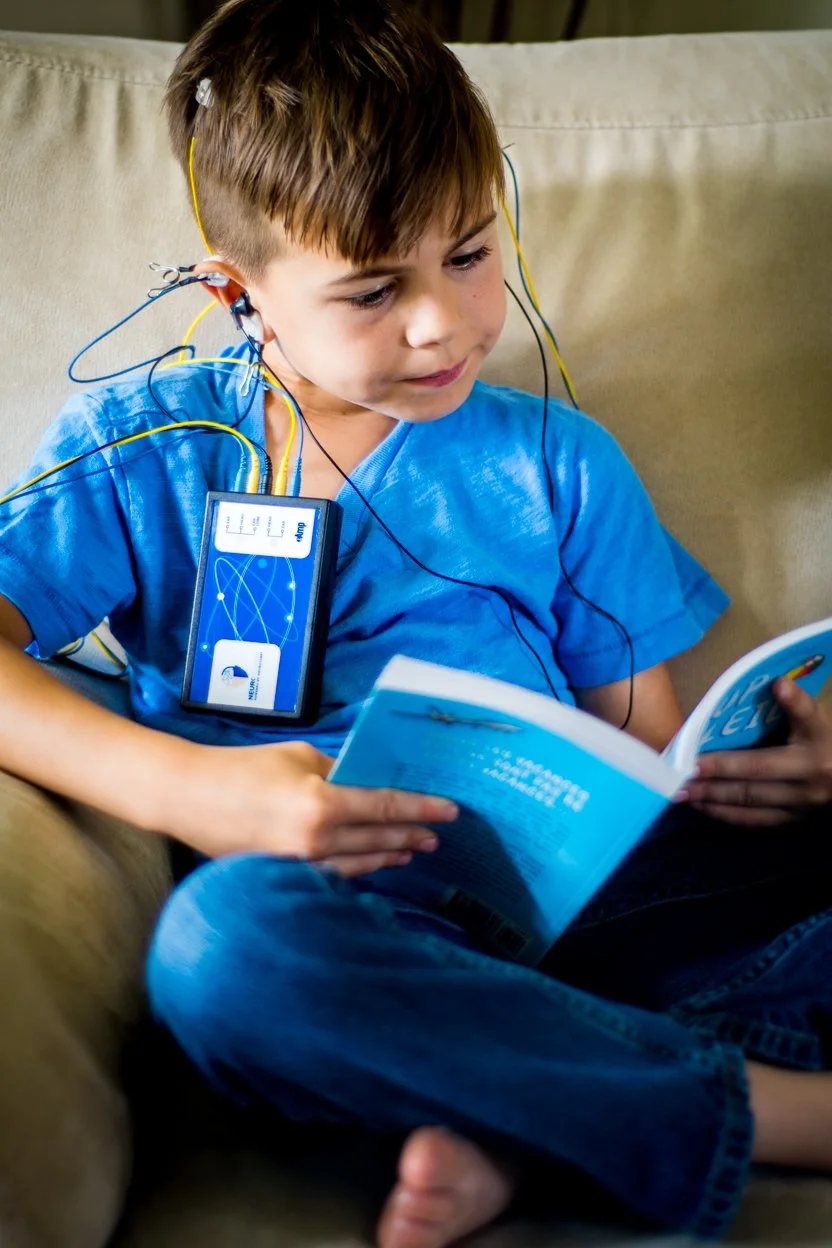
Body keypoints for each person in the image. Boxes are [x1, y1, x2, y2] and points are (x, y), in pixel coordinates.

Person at [0, 1, 830, 1245]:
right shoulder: (152, 455)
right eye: (374, 289)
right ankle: (767, 1116)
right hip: (351, 924)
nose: (442, 323)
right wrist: (192, 795)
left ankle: (521, 1119)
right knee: (223, 955)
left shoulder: (559, 462)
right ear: (243, 295)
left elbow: (645, 751)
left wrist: (779, 773)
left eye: (470, 254)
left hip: (590, 928)